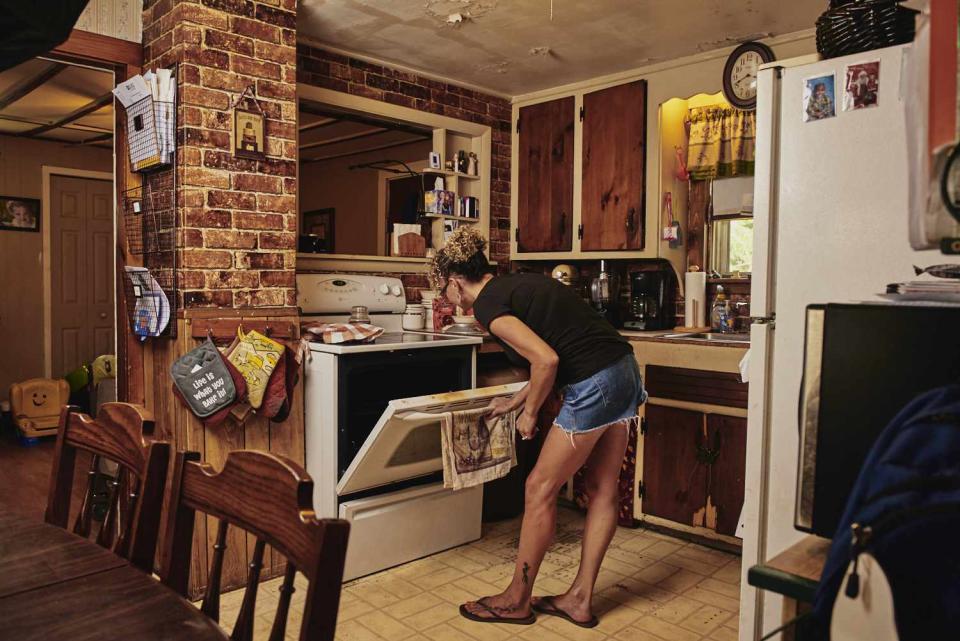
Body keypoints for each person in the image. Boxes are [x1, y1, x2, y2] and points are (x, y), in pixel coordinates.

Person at [427, 227, 646, 628]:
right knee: (603, 489)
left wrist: (529, 415)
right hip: (624, 372)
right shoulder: (515, 285)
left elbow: (546, 361)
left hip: (595, 382)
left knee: (538, 488)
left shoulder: (487, 306)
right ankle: (579, 599)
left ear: (456, 283)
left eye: (444, 290)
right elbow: (558, 350)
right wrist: (515, 400)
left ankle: (516, 599)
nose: (446, 299)